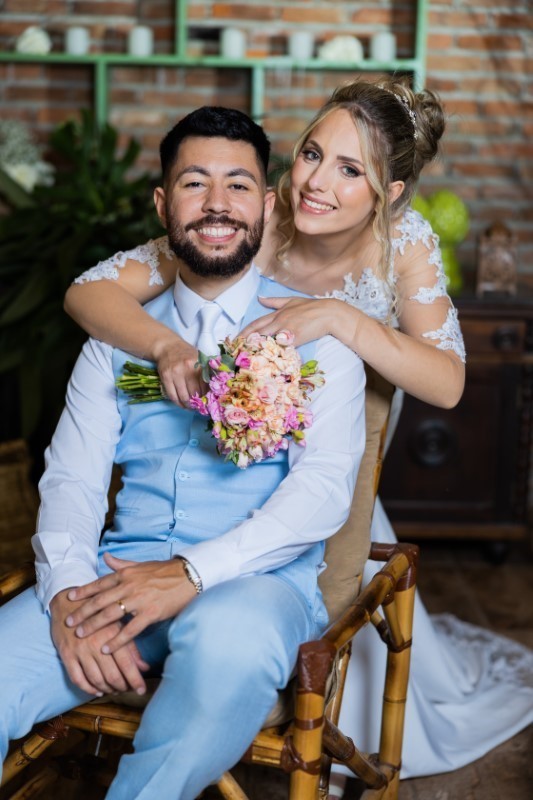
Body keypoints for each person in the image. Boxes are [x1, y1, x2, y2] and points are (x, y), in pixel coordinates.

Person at [64, 78, 533, 798]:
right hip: (212, 438)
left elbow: (445, 383)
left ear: (389, 194)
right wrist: (166, 348)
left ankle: (308, 691)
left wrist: (340, 319)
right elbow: (86, 293)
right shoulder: (253, 213)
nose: (315, 182)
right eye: (311, 153)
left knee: (330, 534)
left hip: (329, 435)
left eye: (350, 170)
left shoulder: (403, 242)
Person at [0, 106, 367, 800]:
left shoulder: (318, 340)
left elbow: (321, 492)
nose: (217, 204)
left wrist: (193, 573)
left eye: (238, 185)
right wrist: (68, 594)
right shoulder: (115, 342)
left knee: (227, 640)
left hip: (255, 588)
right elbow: (72, 480)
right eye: (195, 184)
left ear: (267, 206)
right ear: (164, 206)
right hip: (114, 581)